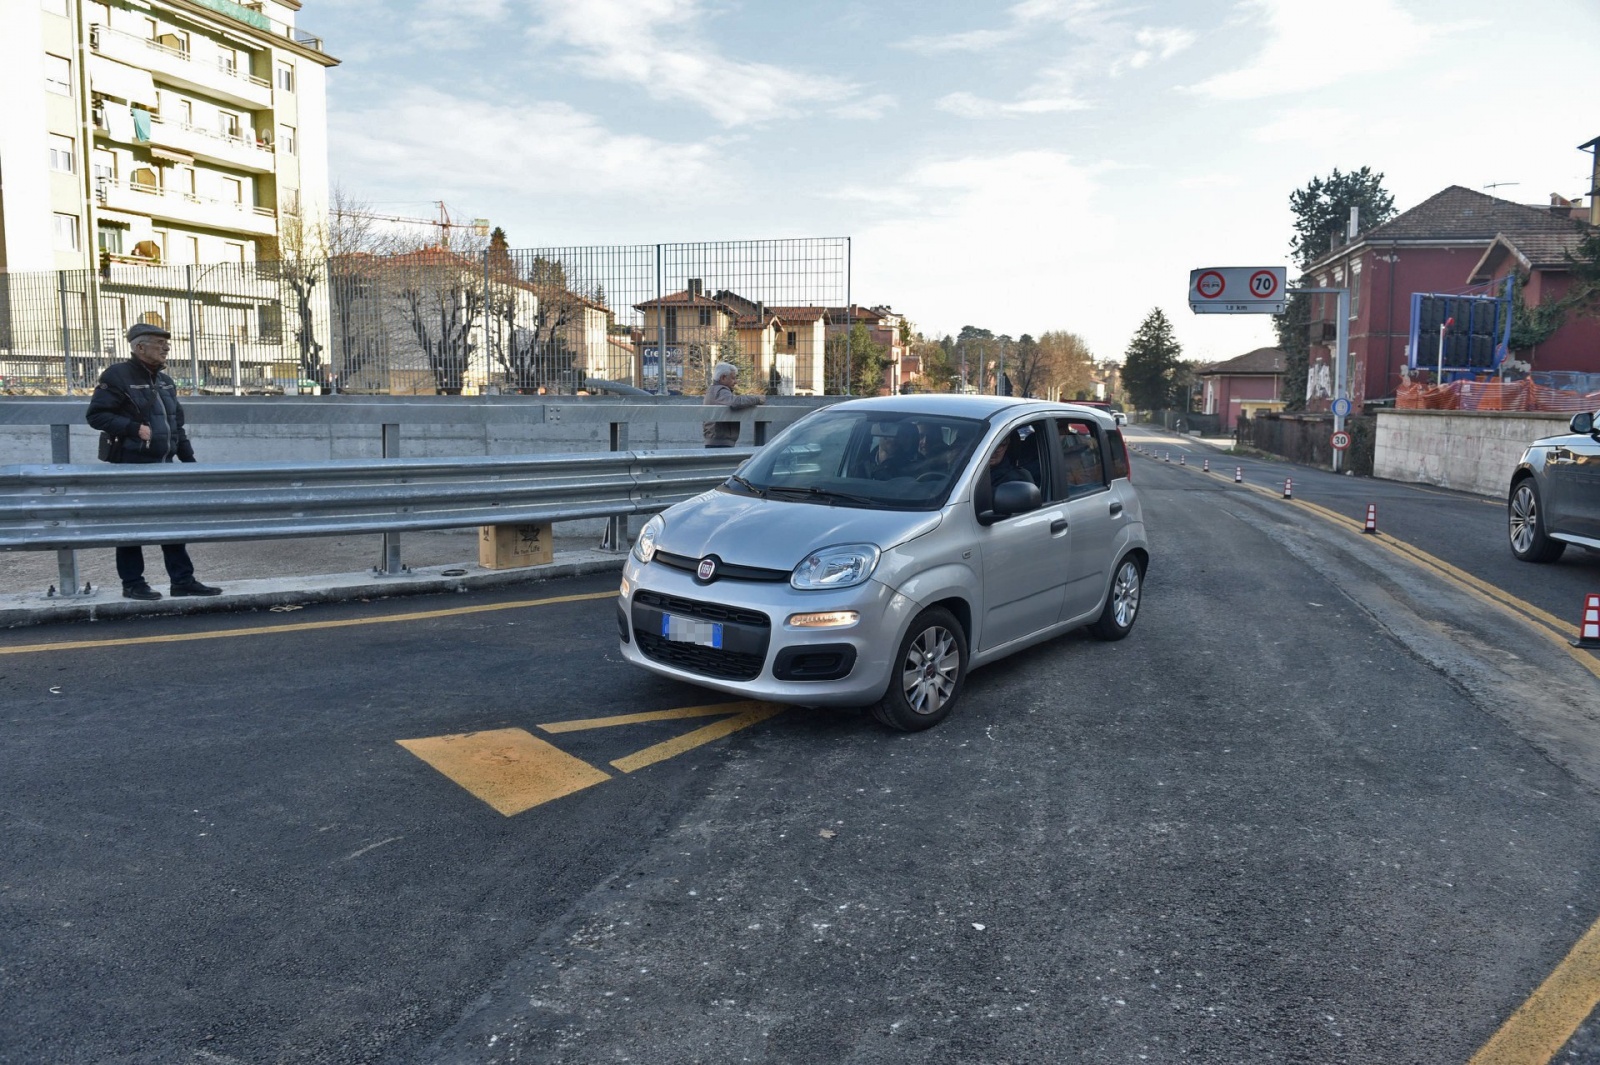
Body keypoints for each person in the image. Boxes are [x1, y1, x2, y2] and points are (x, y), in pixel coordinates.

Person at [86, 322, 222, 601]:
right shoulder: (116, 376)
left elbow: (176, 426)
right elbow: (96, 416)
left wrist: (190, 463)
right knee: (130, 529)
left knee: (173, 526)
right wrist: (132, 428)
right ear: (139, 347)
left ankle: (182, 581)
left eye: (166, 344)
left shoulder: (166, 382)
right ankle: (133, 584)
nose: (166, 348)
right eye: (159, 343)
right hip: (130, 466)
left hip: (164, 466)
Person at [701, 361, 764, 448]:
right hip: (720, 442)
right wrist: (757, 399)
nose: (735, 382)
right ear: (723, 378)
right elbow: (735, 402)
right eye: (733, 378)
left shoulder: (714, 390)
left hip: (717, 440)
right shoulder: (720, 390)